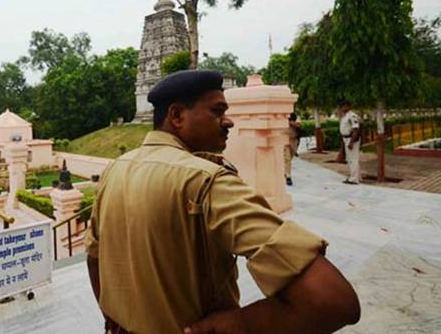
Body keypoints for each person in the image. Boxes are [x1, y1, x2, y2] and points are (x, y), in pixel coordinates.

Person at [85, 70, 360, 334]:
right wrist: (241, 324)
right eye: (217, 111)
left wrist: (111, 315)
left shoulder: (115, 170)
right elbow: (332, 300)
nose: (228, 121)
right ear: (177, 115)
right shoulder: (206, 180)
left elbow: (94, 257)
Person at [339, 99, 362, 185]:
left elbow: (355, 129)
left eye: (344, 106)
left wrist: (351, 142)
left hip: (351, 139)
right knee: (350, 159)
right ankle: (357, 176)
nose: (342, 108)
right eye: (341, 106)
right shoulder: (345, 116)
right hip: (346, 139)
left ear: (348, 106)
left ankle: (354, 179)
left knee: (353, 159)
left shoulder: (352, 116)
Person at [284, 113, 302, 186]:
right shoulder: (282, 115)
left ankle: (285, 172)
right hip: (284, 140)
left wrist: (290, 122)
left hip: (293, 141)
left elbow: (299, 125)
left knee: (290, 158)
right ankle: (288, 176)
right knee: (287, 158)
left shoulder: (296, 116)